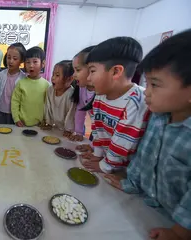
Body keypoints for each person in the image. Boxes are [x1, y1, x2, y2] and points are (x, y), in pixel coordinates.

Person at [104, 30, 191, 240]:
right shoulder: (156, 117)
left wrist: (179, 233)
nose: (147, 92)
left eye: (156, 84)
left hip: (178, 224)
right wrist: (129, 181)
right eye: (147, 82)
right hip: (150, 206)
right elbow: (143, 156)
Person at [81, 37, 150, 173]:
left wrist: (104, 166)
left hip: (126, 171)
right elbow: (98, 130)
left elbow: (123, 142)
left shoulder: (136, 100)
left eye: (92, 71)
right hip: (108, 160)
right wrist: (97, 155)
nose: (88, 78)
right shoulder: (100, 96)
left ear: (116, 71)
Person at [11, 47, 50, 127]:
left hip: (39, 125)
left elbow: (48, 106)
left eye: (35, 62)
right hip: (22, 124)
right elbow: (15, 102)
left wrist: (46, 120)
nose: (31, 65)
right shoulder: (21, 83)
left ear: (43, 64)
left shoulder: (47, 85)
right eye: (28, 62)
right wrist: (16, 119)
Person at [0, 43, 26, 124]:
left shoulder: (23, 78)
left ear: (21, 60)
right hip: (0, 111)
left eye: (15, 59)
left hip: (15, 114)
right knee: (0, 133)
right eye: (8, 57)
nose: (11, 61)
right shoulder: (0, 75)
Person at [68, 46, 95, 141]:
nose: (74, 75)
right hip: (97, 132)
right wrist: (78, 132)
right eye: (74, 70)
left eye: (78, 70)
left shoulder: (102, 93)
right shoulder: (82, 88)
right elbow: (80, 110)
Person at [44, 60, 76, 133]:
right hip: (56, 128)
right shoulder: (50, 90)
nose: (53, 78)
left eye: (57, 75)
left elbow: (71, 116)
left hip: (71, 130)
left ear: (69, 79)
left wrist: (68, 130)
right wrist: (49, 123)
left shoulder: (71, 95)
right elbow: (48, 107)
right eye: (53, 74)